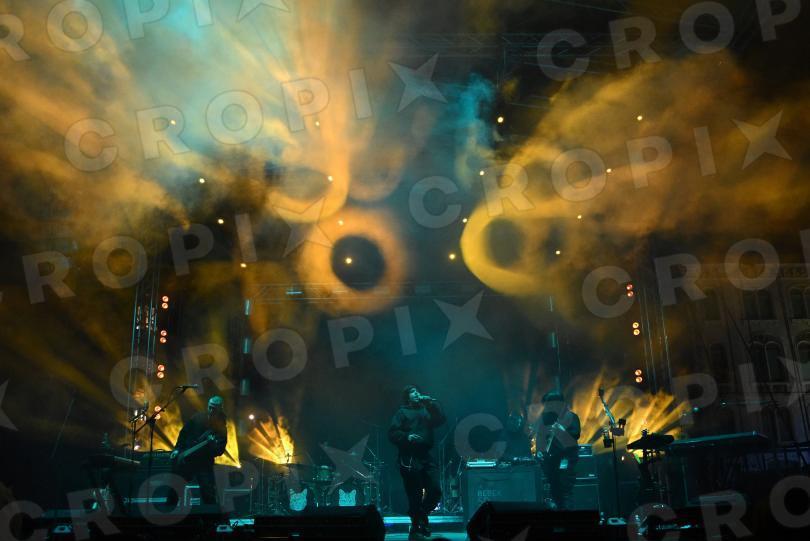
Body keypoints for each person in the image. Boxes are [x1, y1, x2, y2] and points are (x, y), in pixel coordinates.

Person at [389, 385, 446, 541]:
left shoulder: (426, 410)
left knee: (435, 490)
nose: (416, 393)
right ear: (407, 397)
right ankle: (416, 526)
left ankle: (421, 516)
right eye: (412, 392)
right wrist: (407, 437)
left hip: (425, 455)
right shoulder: (402, 412)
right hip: (409, 457)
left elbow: (440, 419)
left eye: (417, 391)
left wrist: (432, 403)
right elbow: (392, 433)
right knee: (414, 494)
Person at [169, 395, 228, 506]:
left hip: (204, 462)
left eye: (214, 409)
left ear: (220, 409)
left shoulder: (221, 428)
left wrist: (212, 444)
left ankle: (210, 515)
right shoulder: (198, 417)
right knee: (175, 489)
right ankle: (168, 512)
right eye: (210, 407)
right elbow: (184, 433)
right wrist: (177, 449)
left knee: (208, 492)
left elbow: (219, 450)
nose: (211, 410)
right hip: (187, 459)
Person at [535, 391, 580, 510]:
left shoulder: (571, 416)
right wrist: (539, 451)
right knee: (554, 490)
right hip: (551, 461)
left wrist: (561, 429)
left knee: (565, 489)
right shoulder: (545, 418)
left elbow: (575, 435)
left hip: (566, 458)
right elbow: (540, 437)